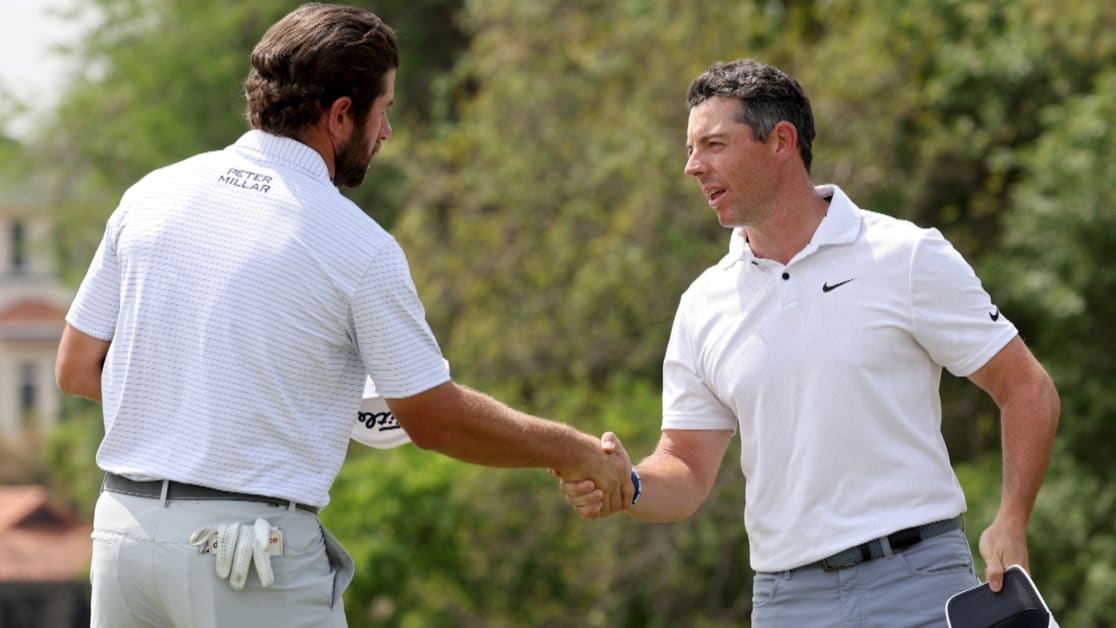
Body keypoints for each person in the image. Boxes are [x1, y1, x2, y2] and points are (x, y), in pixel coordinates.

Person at [54, 5, 630, 627]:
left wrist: (222, 404)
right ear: (339, 116)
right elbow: (436, 420)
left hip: (124, 538)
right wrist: (570, 448)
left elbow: (77, 368)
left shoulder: (150, 195)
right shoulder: (358, 245)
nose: (386, 132)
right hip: (245, 557)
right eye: (383, 111)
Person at [559, 58, 1060, 627]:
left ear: (781, 141)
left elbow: (1026, 387)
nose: (692, 167)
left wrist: (1012, 516)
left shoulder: (907, 255)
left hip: (922, 583)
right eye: (691, 149)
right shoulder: (702, 305)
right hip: (785, 604)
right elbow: (688, 467)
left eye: (713, 145)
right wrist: (632, 484)